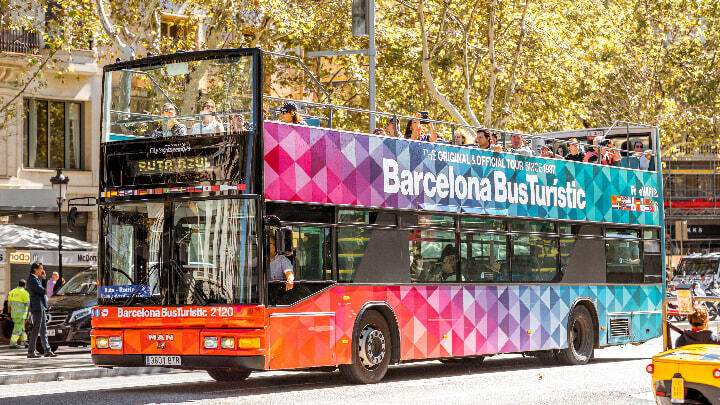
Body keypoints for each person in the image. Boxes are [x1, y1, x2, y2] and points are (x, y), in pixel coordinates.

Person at [27, 262, 56, 358]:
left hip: (41, 306)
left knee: (43, 329)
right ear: (35, 269)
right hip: (37, 307)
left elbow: (43, 291)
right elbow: (43, 291)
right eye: (41, 268)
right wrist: (44, 279)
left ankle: (47, 350)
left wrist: (43, 279)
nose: (42, 271)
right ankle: (31, 351)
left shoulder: (36, 279)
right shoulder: (32, 279)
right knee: (36, 329)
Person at [8, 279, 29, 349]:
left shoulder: (12, 292)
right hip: (21, 315)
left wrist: (9, 314)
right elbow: (28, 304)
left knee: (21, 329)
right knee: (17, 329)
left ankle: (26, 342)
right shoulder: (24, 293)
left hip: (14, 314)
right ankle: (13, 343)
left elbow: (9, 305)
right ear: (25, 285)